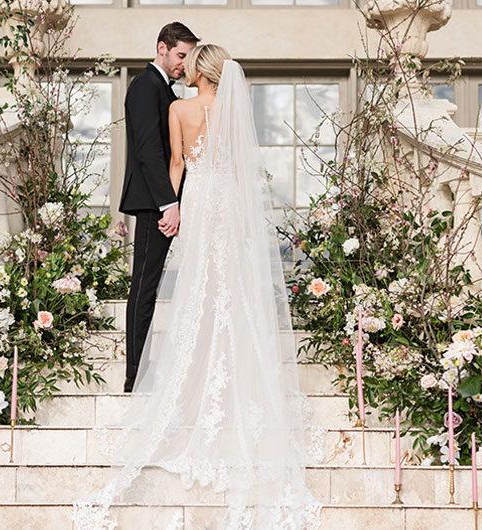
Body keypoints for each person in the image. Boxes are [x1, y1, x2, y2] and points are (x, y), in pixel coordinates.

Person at [74, 44, 321, 530]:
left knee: (200, 288)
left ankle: (195, 370)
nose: (181, 68)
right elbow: (245, 170)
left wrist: (174, 209)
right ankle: (237, 372)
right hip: (229, 201)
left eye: (189, 62)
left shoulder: (178, 108)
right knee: (234, 288)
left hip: (200, 201)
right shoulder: (233, 110)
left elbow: (177, 168)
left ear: (198, 70)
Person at [120, 22, 199, 393]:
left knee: (152, 285)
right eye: (181, 55)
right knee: (144, 287)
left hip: (169, 202)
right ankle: (135, 376)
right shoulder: (144, 86)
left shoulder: (163, 90)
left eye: (188, 56)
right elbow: (149, 152)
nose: (184, 64)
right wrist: (169, 203)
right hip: (156, 205)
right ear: (162, 48)